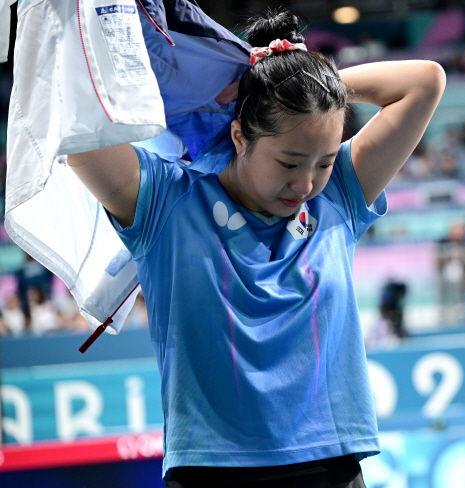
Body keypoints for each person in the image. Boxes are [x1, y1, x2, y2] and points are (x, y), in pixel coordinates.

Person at [65, 10, 445, 488]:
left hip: (330, 467)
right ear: (241, 133)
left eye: (324, 161)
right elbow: (74, 131)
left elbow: (425, 81)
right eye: (289, 162)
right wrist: (261, 92)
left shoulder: (340, 194)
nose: (305, 183)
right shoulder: (165, 203)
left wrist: (304, 88)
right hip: (211, 472)